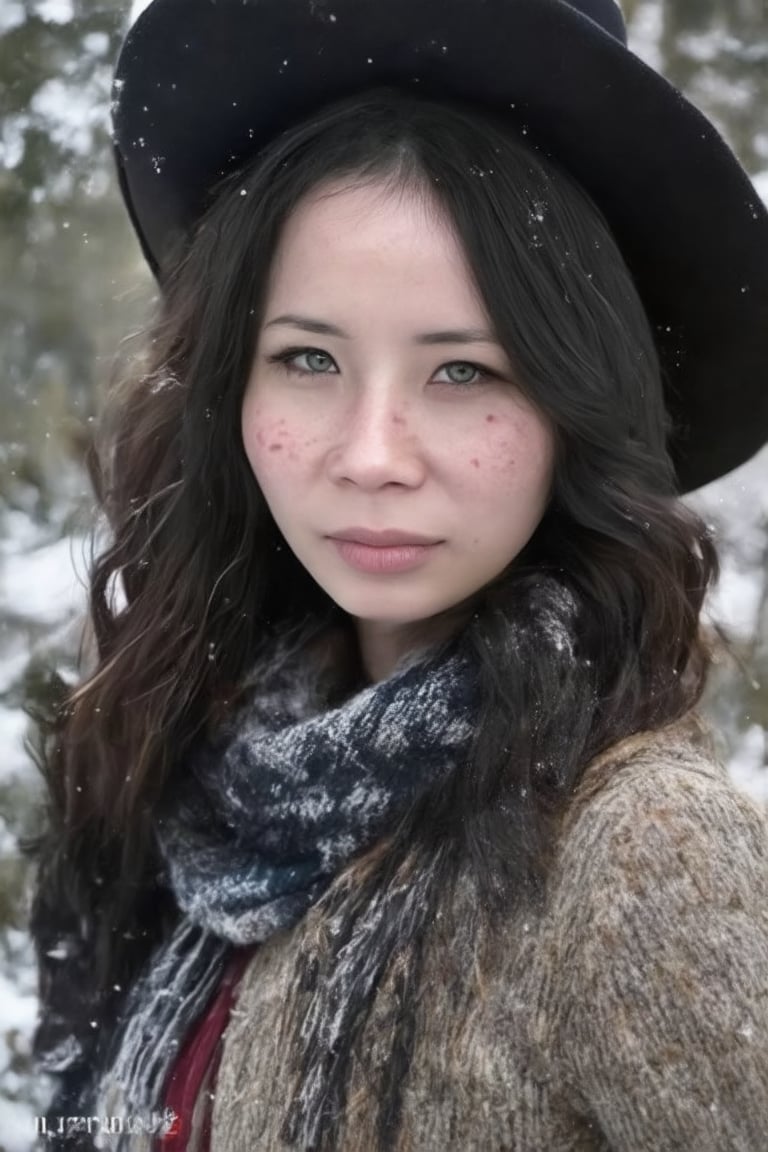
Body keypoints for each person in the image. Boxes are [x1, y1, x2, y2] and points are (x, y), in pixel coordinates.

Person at [24, 0, 768, 1149]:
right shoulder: (190, 772)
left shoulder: (635, 856)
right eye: (308, 358)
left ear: (577, 409)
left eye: (466, 372)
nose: (371, 455)